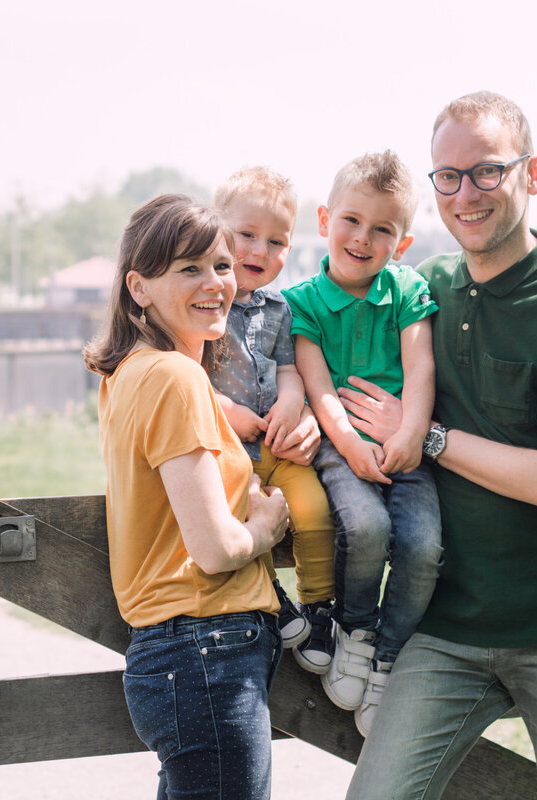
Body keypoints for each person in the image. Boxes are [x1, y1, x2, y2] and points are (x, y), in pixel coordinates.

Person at [341, 92, 537, 799]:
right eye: (448, 176)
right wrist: (285, 406)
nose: (464, 194)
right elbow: (318, 316)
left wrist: (428, 436)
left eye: (486, 172)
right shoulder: (421, 294)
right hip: (448, 631)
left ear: (532, 174)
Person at [83, 194, 290, 800]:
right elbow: (215, 547)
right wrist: (266, 527)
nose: (215, 283)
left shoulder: (130, 374)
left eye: (222, 266)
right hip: (206, 650)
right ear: (139, 288)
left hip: (180, 653)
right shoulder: (175, 377)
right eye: (189, 269)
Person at [283, 151, 443, 737]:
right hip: (339, 447)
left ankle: (388, 661)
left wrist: (409, 436)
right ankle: (356, 631)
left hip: (405, 446)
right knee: (367, 528)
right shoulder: (300, 303)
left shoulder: (406, 288)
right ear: (325, 219)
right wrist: (350, 447)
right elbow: (318, 388)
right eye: (351, 220)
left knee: (423, 546)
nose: (362, 237)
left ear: (401, 243)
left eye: (382, 229)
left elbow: (419, 368)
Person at [210, 167, 337, 672]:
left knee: (313, 509)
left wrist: (292, 401)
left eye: (276, 241)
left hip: (276, 446)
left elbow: (289, 368)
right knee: (245, 515)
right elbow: (184, 379)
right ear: (217, 229)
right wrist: (229, 413)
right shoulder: (203, 303)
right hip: (226, 452)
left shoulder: (279, 309)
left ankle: (320, 605)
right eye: (246, 236)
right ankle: (270, 595)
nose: (259, 252)